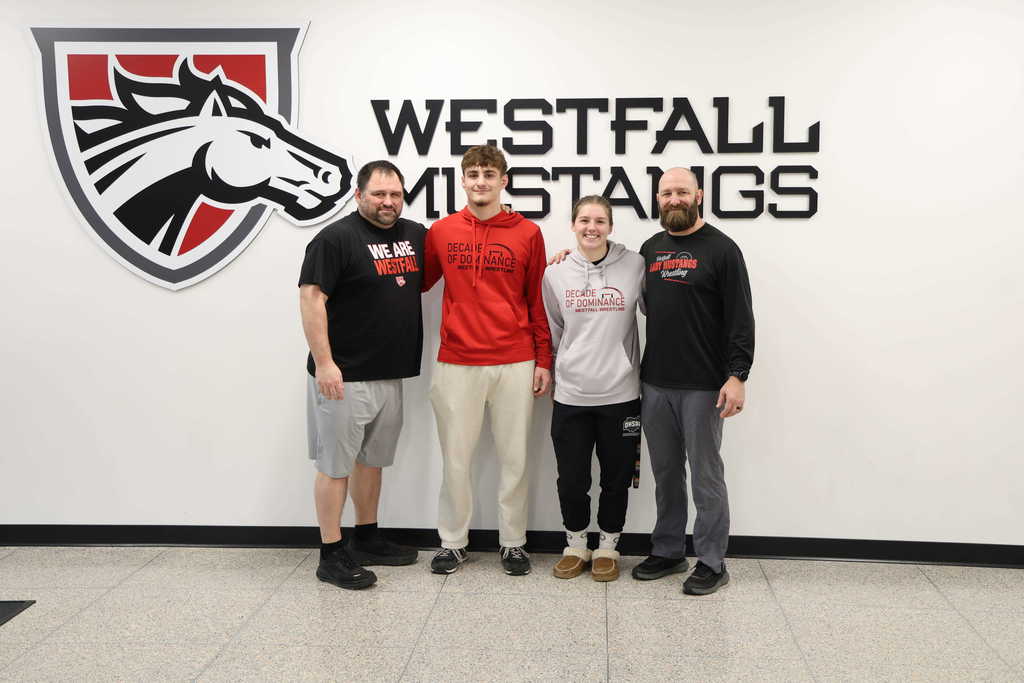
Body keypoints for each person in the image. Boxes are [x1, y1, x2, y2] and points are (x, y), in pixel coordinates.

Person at [422, 144, 552, 576]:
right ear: (463, 180)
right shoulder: (440, 231)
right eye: (473, 173)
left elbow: (537, 299)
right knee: (455, 458)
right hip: (456, 360)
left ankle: (513, 542)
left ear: (503, 181)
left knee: (515, 457)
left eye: (488, 174)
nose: (480, 181)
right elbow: (415, 285)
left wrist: (543, 359)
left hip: (514, 360)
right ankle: (453, 542)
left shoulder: (528, 234)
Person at [298, 160, 424, 590]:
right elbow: (311, 299)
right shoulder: (335, 239)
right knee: (335, 466)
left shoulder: (414, 236)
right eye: (378, 194)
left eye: (395, 194)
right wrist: (326, 363)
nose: (388, 202)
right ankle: (331, 554)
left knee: (372, 461)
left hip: (391, 374)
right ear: (358, 194)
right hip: (344, 375)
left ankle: (366, 536)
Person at [633, 167, 754, 595]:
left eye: (682, 191)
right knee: (665, 474)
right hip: (656, 383)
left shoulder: (722, 249)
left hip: (704, 384)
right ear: (658, 198)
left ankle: (711, 560)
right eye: (666, 193)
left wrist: (737, 376)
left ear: (698, 195)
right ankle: (668, 550)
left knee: (705, 474)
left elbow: (741, 319)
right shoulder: (650, 249)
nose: (674, 199)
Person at [541, 196, 644, 582]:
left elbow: (657, 305)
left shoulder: (635, 265)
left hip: (622, 394)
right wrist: (553, 370)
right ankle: (575, 544)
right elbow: (553, 330)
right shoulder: (556, 273)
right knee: (572, 477)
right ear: (573, 224)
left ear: (610, 227)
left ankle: (608, 546)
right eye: (584, 219)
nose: (592, 227)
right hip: (571, 395)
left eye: (600, 220)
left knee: (616, 478)